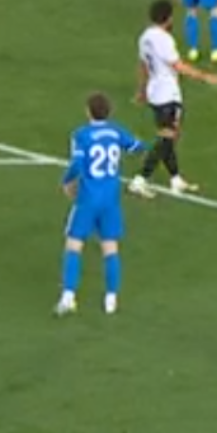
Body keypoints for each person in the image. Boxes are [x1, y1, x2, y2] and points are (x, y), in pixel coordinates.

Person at [56, 91, 150, 317]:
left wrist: (66, 181)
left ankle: (68, 296)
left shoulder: (81, 135)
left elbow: (77, 164)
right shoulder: (117, 132)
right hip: (110, 200)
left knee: (74, 244)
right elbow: (138, 146)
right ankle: (111, 299)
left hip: (88, 199)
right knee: (110, 247)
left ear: (88, 111)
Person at [130, 0, 217, 197]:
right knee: (167, 137)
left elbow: (143, 65)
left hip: (155, 94)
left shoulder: (145, 37)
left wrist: (142, 90)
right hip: (167, 95)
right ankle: (140, 179)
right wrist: (205, 76)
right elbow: (178, 65)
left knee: (168, 136)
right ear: (168, 18)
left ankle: (175, 179)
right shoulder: (164, 39)